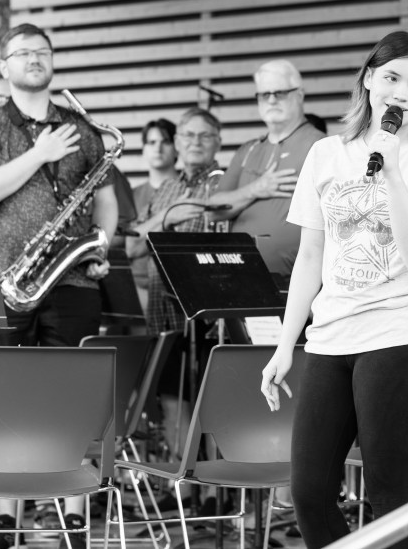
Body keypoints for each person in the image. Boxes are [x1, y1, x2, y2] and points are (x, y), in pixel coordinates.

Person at [260, 31, 408, 549]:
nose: (403, 93)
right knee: (309, 493)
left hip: (398, 339)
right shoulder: (326, 153)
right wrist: (285, 345)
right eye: (392, 77)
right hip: (329, 341)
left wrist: (392, 171)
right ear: (370, 79)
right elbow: (310, 256)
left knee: (389, 499)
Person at [0, 23, 118, 549]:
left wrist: (101, 246)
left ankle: (72, 516)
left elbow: (105, 197)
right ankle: (6, 519)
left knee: (69, 398)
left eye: (42, 51)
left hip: (72, 278)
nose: (34, 58)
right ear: (3, 67)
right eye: (22, 52)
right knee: (4, 399)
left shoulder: (82, 127)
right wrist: (39, 154)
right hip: (3, 279)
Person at [126, 107, 223, 511]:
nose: (195, 142)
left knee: (213, 401)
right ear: (177, 142)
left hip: (209, 314)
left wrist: (159, 225)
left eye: (204, 135)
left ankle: (215, 491)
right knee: (172, 400)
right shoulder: (166, 187)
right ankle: (182, 490)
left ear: (218, 142)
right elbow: (134, 243)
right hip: (165, 313)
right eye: (187, 135)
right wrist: (164, 220)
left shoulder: (226, 183)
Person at [208, 59, 325, 278]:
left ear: (299, 95)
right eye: (264, 94)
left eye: (280, 93)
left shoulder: (322, 146)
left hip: (296, 283)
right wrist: (256, 189)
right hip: (239, 276)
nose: (271, 100)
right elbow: (212, 210)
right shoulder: (248, 150)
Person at [129, 119, 178, 312]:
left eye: (165, 141)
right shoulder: (131, 195)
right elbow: (125, 248)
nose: (158, 148)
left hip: (175, 290)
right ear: (143, 149)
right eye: (152, 142)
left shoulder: (187, 192)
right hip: (136, 289)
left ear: (177, 147)